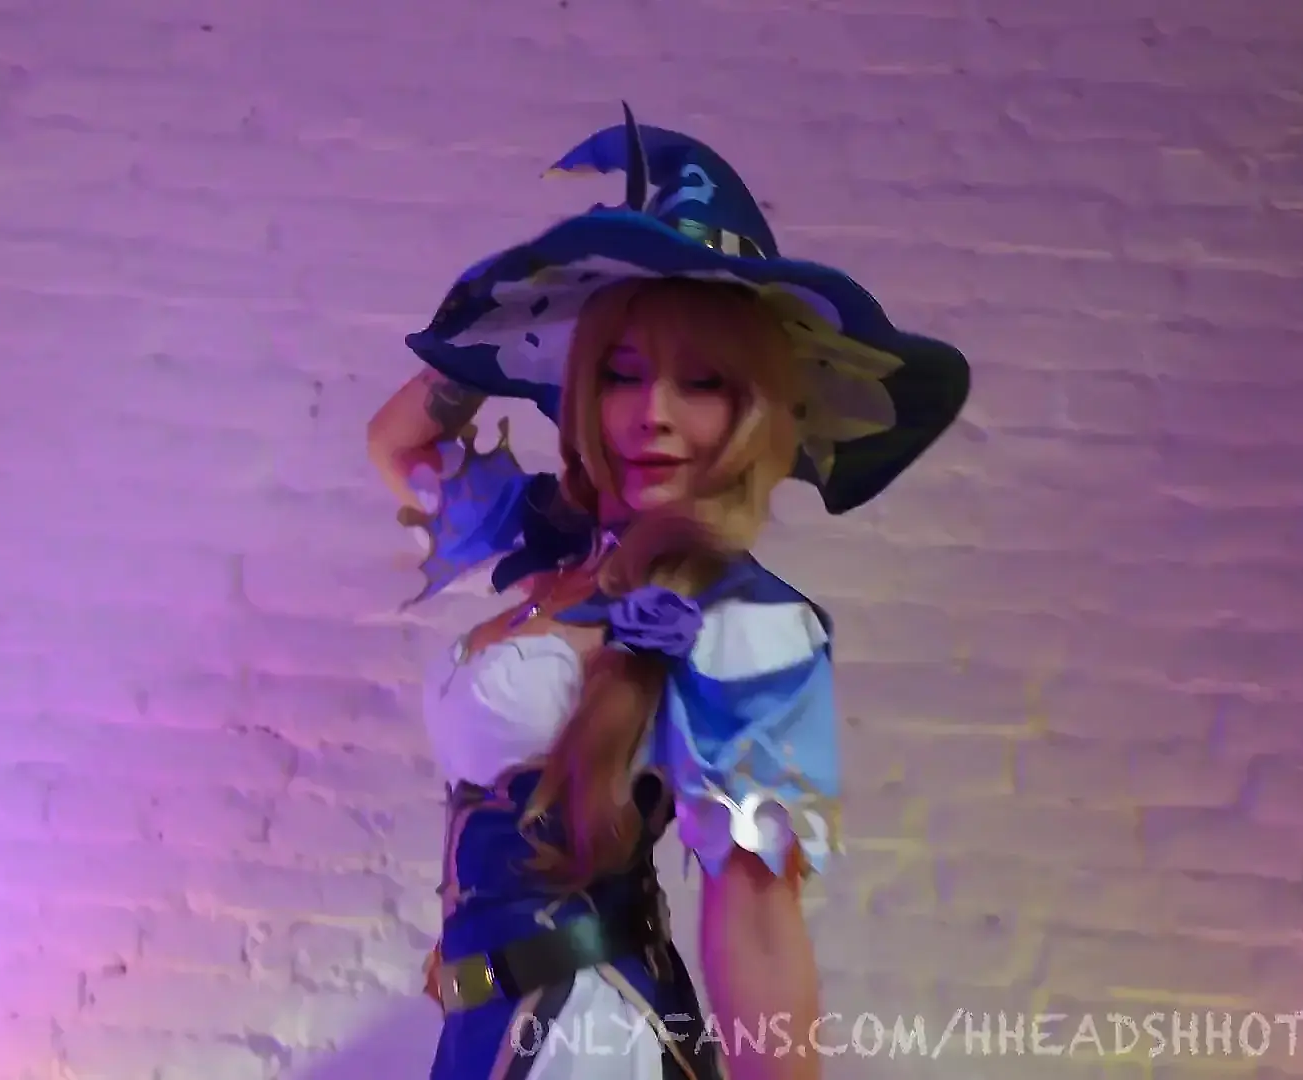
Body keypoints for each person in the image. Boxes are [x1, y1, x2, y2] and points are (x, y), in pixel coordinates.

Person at [367, 108, 971, 1080]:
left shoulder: (745, 625)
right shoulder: (551, 542)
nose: (653, 413)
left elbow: (759, 923)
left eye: (702, 382)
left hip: (588, 1042)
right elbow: (398, 444)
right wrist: (510, 335)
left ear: (753, 407)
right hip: (485, 1035)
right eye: (622, 374)